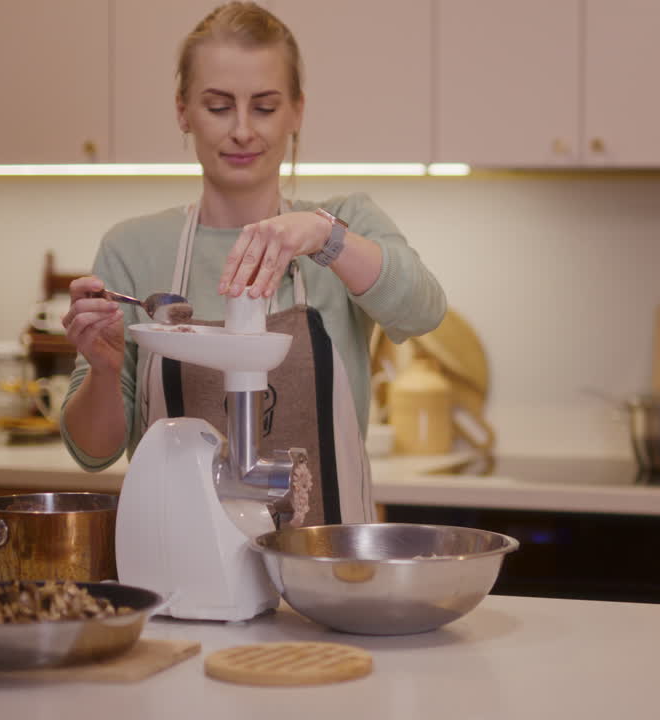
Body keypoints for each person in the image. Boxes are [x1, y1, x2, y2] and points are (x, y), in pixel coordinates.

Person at [59, 2, 446, 524]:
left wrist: (325, 236)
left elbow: (422, 311)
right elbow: (94, 452)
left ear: (297, 111)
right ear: (182, 110)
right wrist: (103, 374)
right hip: (179, 575)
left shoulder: (344, 222)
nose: (242, 130)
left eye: (264, 107)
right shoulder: (132, 249)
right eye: (219, 106)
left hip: (328, 577)